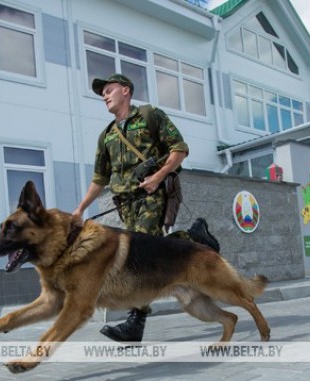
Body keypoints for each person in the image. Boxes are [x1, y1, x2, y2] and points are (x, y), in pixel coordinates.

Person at [72, 73, 219, 343]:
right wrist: (80, 209)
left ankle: (135, 323)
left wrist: (158, 177)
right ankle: (195, 237)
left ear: (125, 90)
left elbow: (179, 149)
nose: (104, 95)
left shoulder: (150, 116)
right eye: (102, 92)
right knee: (156, 253)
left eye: (108, 89)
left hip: (153, 195)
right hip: (126, 204)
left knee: (139, 256)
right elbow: (99, 178)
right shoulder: (106, 136)